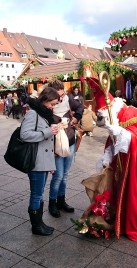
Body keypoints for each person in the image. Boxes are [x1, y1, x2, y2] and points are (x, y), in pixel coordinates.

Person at [77, 76, 137, 241]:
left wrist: (121, 133)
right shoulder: (116, 117)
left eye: (105, 117)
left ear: (111, 109)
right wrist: (107, 155)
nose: (105, 121)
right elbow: (112, 140)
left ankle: (136, 223)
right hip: (123, 162)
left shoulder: (132, 114)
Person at [20, 87, 60, 236]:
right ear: (45, 99)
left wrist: (51, 163)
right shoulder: (32, 113)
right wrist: (48, 132)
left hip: (44, 161)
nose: (53, 107)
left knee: (40, 193)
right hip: (36, 161)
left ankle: (40, 222)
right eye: (52, 104)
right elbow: (25, 135)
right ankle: (36, 226)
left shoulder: (44, 114)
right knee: (36, 194)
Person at [47, 80, 84, 218]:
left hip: (70, 141)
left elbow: (80, 107)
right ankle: (52, 203)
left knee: (65, 175)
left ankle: (61, 201)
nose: (61, 99)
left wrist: (76, 119)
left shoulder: (67, 99)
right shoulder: (47, 106)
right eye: (58, 96)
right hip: (56, 145)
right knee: (58, 176)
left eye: (62, 95)